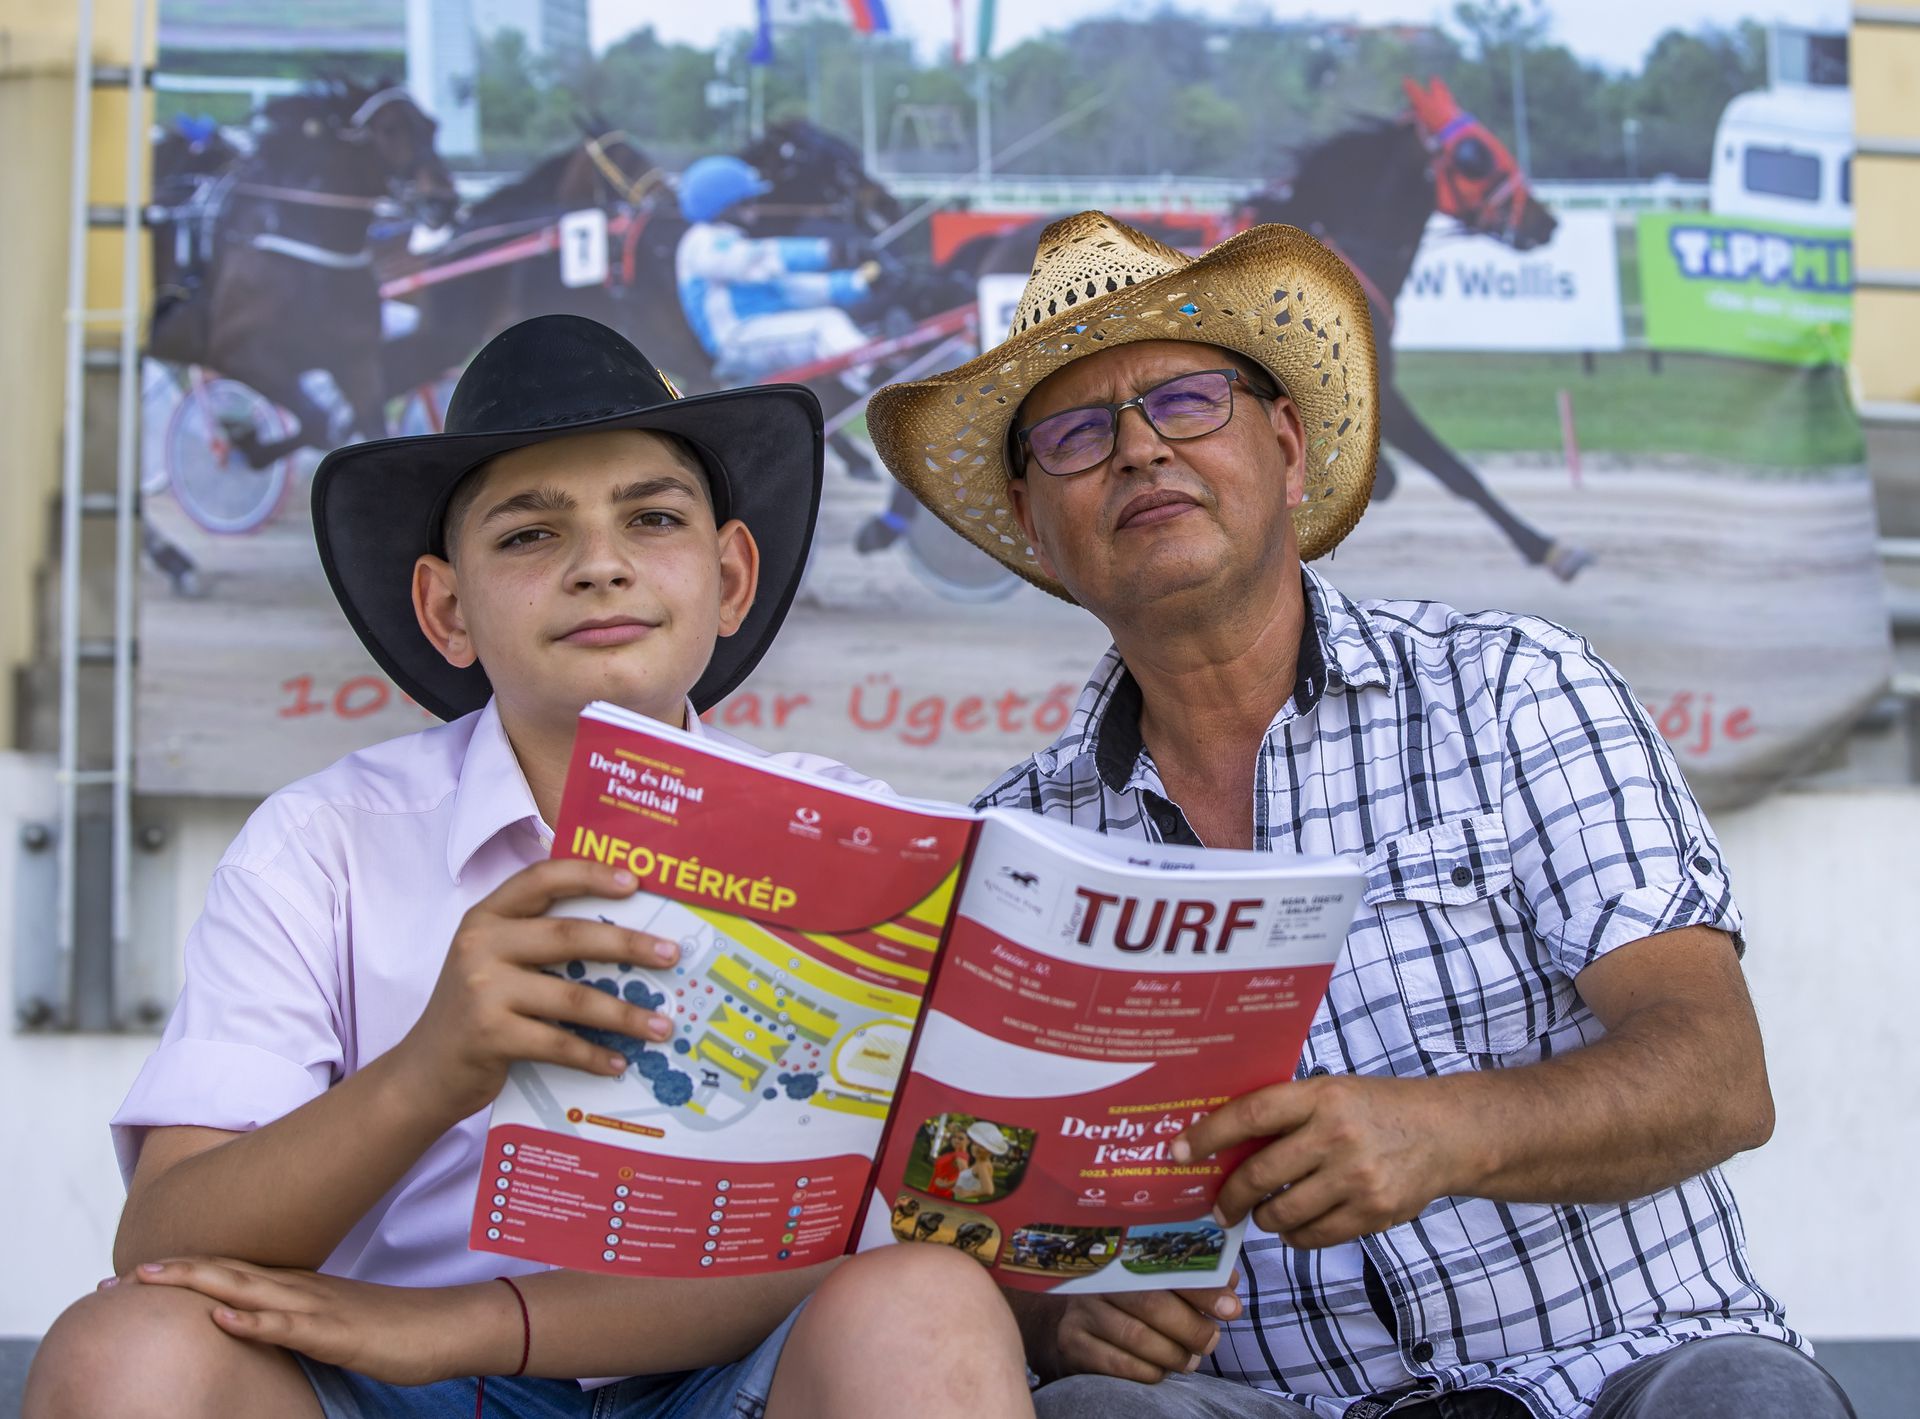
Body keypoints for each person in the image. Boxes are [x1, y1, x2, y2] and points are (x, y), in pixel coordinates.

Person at [866, 212, 1856, 1419]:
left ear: (1285, 449)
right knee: (1086, 1415)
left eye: (1185, 400)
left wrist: (1446, 1131)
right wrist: (1064, 1314)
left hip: (1620, 1375)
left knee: (1742, 1400)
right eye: (1077, 433)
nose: (1136, 452)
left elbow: (1717, 1076)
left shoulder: (1513, 687)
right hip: (1267, 1410)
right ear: (1031, 521)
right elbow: (971, 1212)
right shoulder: (1013, 853)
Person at [25, 315, 1033, 1419]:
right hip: (390, 1381)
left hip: (732, 1374)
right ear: (447, 610)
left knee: (926, 1302)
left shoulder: (866, 847)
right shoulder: (322, 847)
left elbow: (902, 1222)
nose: (601, 566)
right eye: (527, 536)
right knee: (127, 1347)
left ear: (731, 577)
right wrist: (430, 1071)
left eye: (652, 518)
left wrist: (469, 1325)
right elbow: (165, 1239)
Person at [673, 153, 884, 484]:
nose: (756, 207)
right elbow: (756, 259)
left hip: (760, 333)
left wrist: (860, 282)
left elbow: (796, 290)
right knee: (823, 327)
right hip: (736, 341)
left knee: (828, 319)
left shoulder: (733, 243)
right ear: (724, 204)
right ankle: (877, 377)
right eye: (748, 200)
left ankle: (871, 372)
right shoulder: (701, 243)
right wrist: (827, 251)